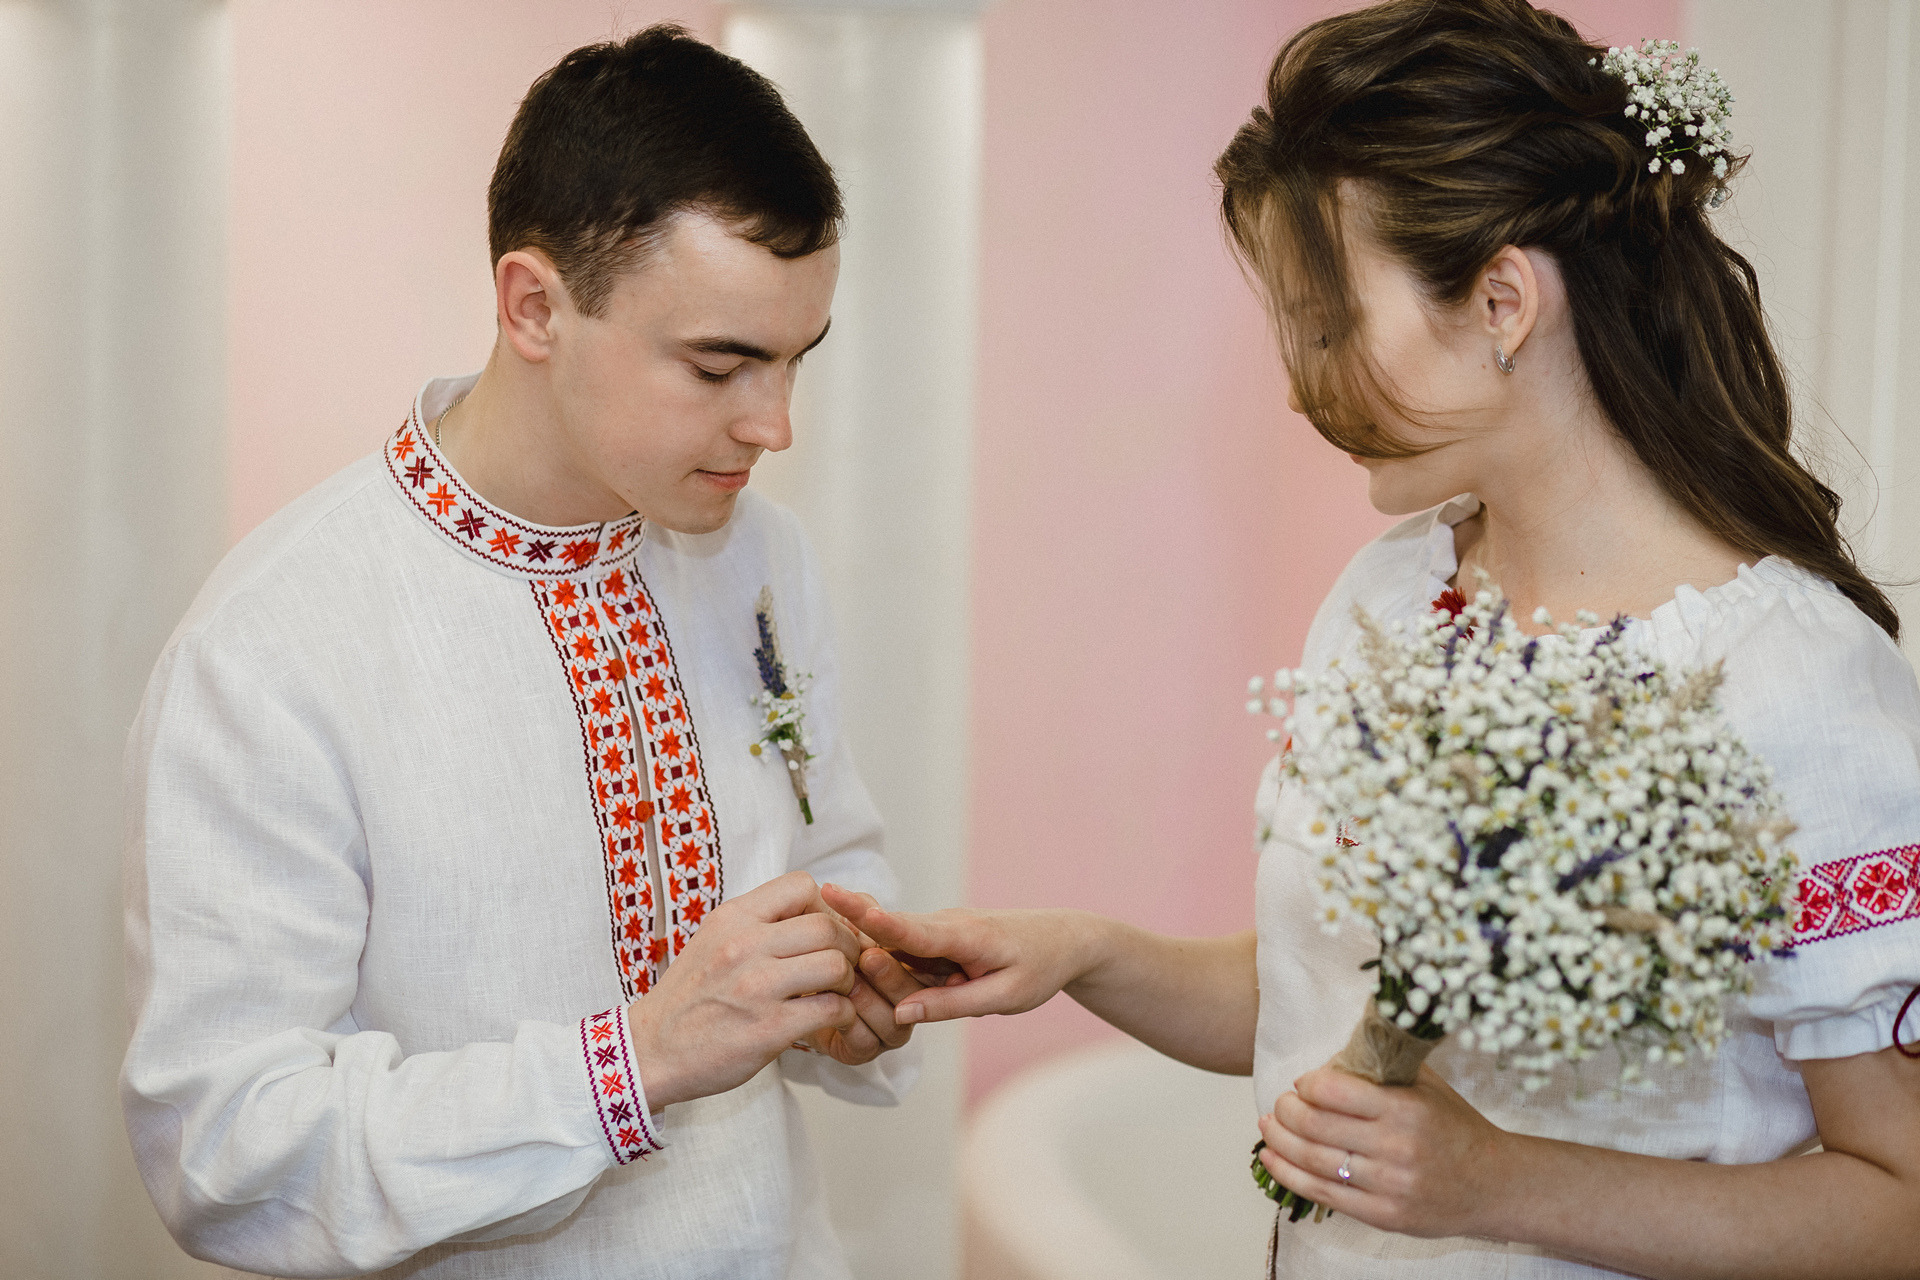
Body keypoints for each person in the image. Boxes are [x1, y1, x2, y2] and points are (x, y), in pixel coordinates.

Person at [825, 1, 1920, 1276]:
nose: (1300, 383)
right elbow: (1330, 995)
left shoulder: (1799, 687)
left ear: (1503, 299)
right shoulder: (1393, 595)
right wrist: (1088, 952)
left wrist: (1505, 1182)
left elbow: (1898, 1204)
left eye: (1331, 322)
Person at [121, 26, 928, 1280]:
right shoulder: (276, 647)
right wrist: (634, 1061)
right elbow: (226, 1152)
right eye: (721, 363)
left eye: (794, 360)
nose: (773, 424)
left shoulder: (760, 555)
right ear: (534, 305)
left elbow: (826, 850)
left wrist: (853, 985)